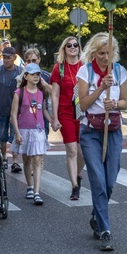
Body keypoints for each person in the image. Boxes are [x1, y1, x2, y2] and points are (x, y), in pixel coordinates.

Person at [77, 32, 127, 251]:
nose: (105, 57)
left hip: (113, 131)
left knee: (109, 181)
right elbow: (83, 104)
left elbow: (126, 102)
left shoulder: (119, 71)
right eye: (101, 53)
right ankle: (105, 230)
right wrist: (101, 87)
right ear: (93, 53)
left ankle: (96, 215)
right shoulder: (85, 72)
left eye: (108, 53)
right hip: (90, 132)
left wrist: (115, 104)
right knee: (98, 179)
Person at [10, 63, 52, 205]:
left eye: (38, 74)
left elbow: (44, 110)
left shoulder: (41, 93)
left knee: (37, 160)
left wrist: (53, 121)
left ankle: (36, 192)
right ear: (26, 76)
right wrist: (17, 133)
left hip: (38, 131)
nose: (36, 77)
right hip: (24, 130)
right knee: (27, 161)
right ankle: (29, 186)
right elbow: (13, 115)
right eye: (33, 74)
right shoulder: (19, 93)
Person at [50, 36, 85, 200]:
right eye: (69, 45)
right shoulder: (59, 68)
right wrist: (54, 118)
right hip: (66, 113)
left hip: (83, 112)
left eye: (75, 45)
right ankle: (74, 186)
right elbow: (55, 94)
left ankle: (78, 174)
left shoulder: (85, 66)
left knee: (83, 151)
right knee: (72, 150)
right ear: (64, 49)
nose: (72, 47)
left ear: (79, 47)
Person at [0, 46, 23, 173]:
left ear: (14, 58)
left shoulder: (20, 71)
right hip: (0, 107)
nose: (6, 60)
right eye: (4, 58)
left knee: (15, 135)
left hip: (16, 110)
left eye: (9, 58)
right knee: (2, 135)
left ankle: (15, 161)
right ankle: (3, 157)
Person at [22, 48, 52, 137]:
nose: (32, 63)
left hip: (42, 113)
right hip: (25, 114)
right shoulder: (22, 76)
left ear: (39, 60)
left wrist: (42, 82)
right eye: (29, 61)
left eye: (34, 60)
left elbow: (54, 92)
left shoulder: (46, 75)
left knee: (42, 141)